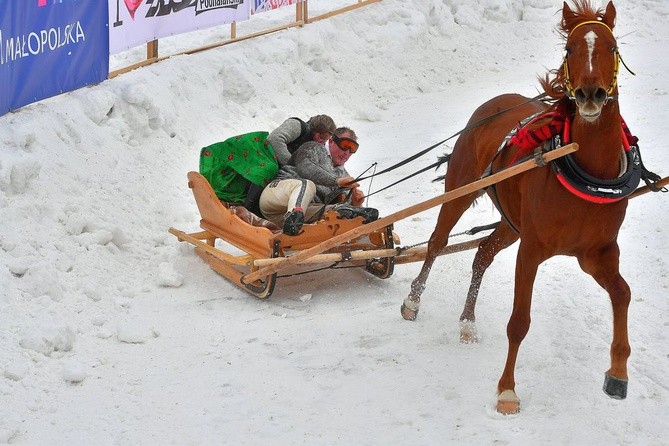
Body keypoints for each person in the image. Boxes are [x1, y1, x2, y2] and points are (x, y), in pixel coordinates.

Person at [259, 127, 379, 236]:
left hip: (301, 214)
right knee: (306, 184)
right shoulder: (313, 147)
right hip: (275, 198)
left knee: (338, 210)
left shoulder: (344, 176)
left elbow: (343, 203)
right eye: (344, 145)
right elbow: (306, 168)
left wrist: (355, 203)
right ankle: (294, 216)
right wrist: (336, 181)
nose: (347, 152)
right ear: (332, 141)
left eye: (352, 149)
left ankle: (295, 221)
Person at [267, 115, 337, 167]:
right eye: (321, 137)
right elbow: (275, 139)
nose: (322, 141)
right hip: (265, 160)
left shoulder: (318, 149)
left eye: (326, 140)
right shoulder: (298, 126)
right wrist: (292, 165)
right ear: (315, 130)